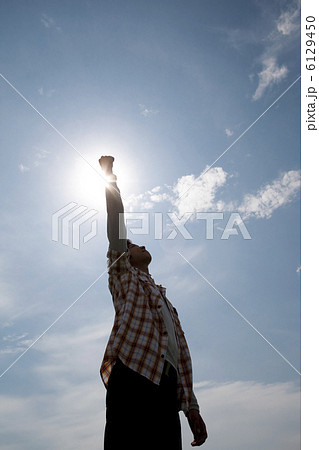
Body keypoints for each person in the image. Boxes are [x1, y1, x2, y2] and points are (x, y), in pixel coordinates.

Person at [99, 155, 208, 450]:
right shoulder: (124, 278)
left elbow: (180, 356)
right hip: (132, 377)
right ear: (124, 255)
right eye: (132, 245)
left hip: (167, 392)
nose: (140, 245)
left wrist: (191, 407)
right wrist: (110, 177)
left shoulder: (166, 304)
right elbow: (117, 221)